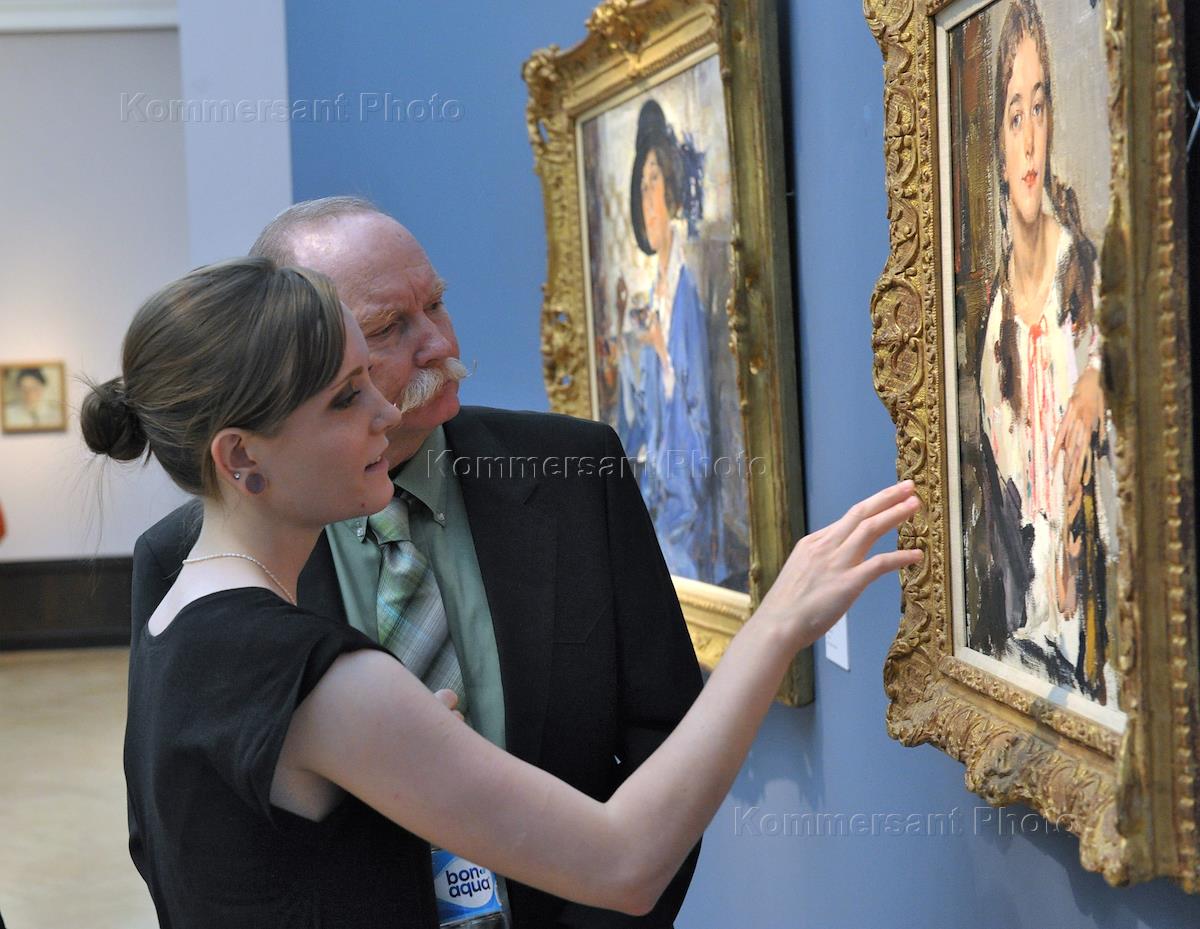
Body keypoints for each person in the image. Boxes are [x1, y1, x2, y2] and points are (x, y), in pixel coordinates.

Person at [85, 257, 920, 927]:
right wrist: (776, 627)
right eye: (344, 398)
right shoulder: (329, 682)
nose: (386, 411)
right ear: (241, 457)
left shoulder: (180, 618)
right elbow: (627, 861)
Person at [132, 198, 705, 928]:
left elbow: (663, 732)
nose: (438, 344)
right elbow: (173, 830)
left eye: (435, 303)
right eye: (385, 330)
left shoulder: (574, 470)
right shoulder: (183, 565)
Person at [975, 0, 1114, 700]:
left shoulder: (1083, 277)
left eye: (1039, 107)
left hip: (1090, 648)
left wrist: (1099, 380)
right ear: (998, 145)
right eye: (1014, 116)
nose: (1030, 140)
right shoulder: (992, 328)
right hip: (1020, 653)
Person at [619, 100, 717, 584]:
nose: (647, 198)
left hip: (685, 509)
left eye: (654, 181)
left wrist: (660, 350)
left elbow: (699, 415)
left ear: (673, 189)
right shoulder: (650, 295)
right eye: (641, 186)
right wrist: (633, 356)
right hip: (655, 494)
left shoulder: (686, 290)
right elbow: (637, 421)